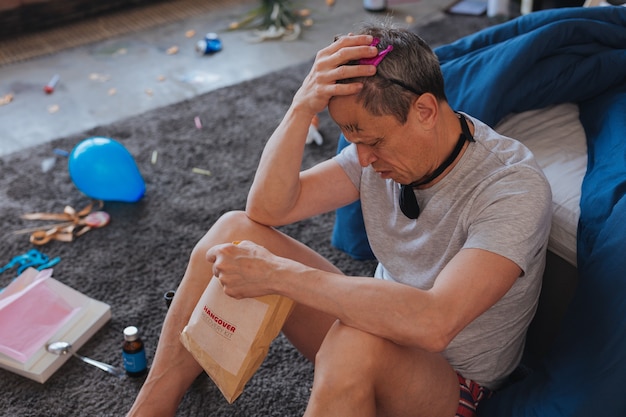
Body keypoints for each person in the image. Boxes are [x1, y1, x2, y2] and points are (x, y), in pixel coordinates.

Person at [127, 22, 552, 417]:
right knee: (234, 231)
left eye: (373, 140)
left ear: (424, 111)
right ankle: (150, 409)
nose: (363, 158)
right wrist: (299, 108)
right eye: (351, 138)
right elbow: (267, 210)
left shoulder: (512, 188)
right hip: (378, 330)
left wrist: (280, 276)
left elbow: (434, 324)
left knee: (355, 342)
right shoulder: (376, 154)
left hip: (453, 386)